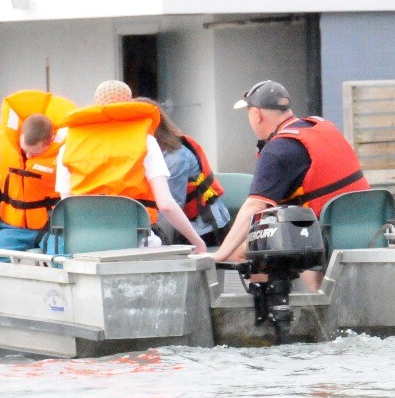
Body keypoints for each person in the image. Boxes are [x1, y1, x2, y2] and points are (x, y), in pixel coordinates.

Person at [212, 80, 369, 288]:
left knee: (241, 251)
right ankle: (314, 298)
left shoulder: (278, 149)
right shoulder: (322, 127)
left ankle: (270, 314)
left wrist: (220, 254)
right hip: (363, 228)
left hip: (322, 237)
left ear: (257, 114)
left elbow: (255, 206)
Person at [55, 80, 207, 253]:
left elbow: (67, 206)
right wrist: (197, 242)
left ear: (96, 105)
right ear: (129, 103)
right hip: (136, 245)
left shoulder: (68, 146)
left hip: (84, 247)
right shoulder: (146, 141)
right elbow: (166, 204)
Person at [0, 90, 76, 259]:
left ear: (49, 142)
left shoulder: (66, 156)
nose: (27, 157)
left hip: (54, 228)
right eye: (25, 151)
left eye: (33, 154)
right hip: (14, 229)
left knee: (62, 262)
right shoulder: (7, 157)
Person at [136, 97, 231, 246]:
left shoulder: (176, 157)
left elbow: (169, 209)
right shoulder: (145, 152)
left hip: (203, 231)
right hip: (175, 225)